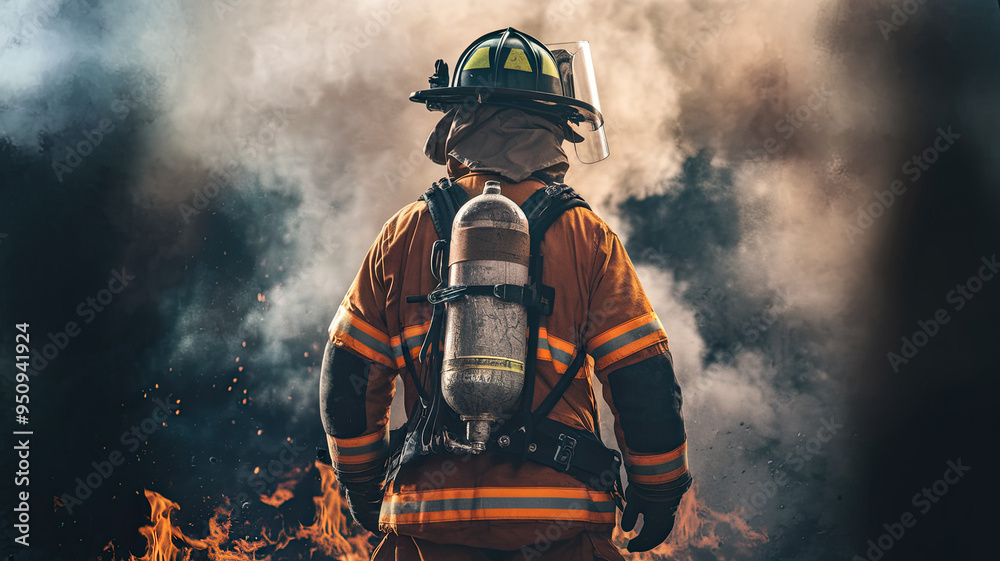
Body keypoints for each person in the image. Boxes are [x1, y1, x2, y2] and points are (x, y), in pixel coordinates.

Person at [319, 28, 691, 560]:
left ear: (457, 121)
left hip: (428, 529)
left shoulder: (402, 234)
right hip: (558, 529)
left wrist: (361, 484)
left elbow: (346, 382)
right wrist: (658, 488)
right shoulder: (588, 238)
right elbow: (643, 380)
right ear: (554, 123)